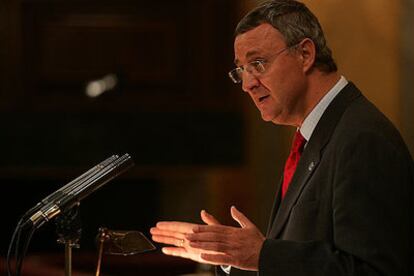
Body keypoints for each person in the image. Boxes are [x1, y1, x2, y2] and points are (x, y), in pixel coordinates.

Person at [150, 1, 414, 275]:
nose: (247, 84)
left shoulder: (362, 139)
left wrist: (262, 254)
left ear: (305, 54)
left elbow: (373, 271)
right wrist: (233, 258)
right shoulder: (318, 134)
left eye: (258, 63)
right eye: (241, 70)